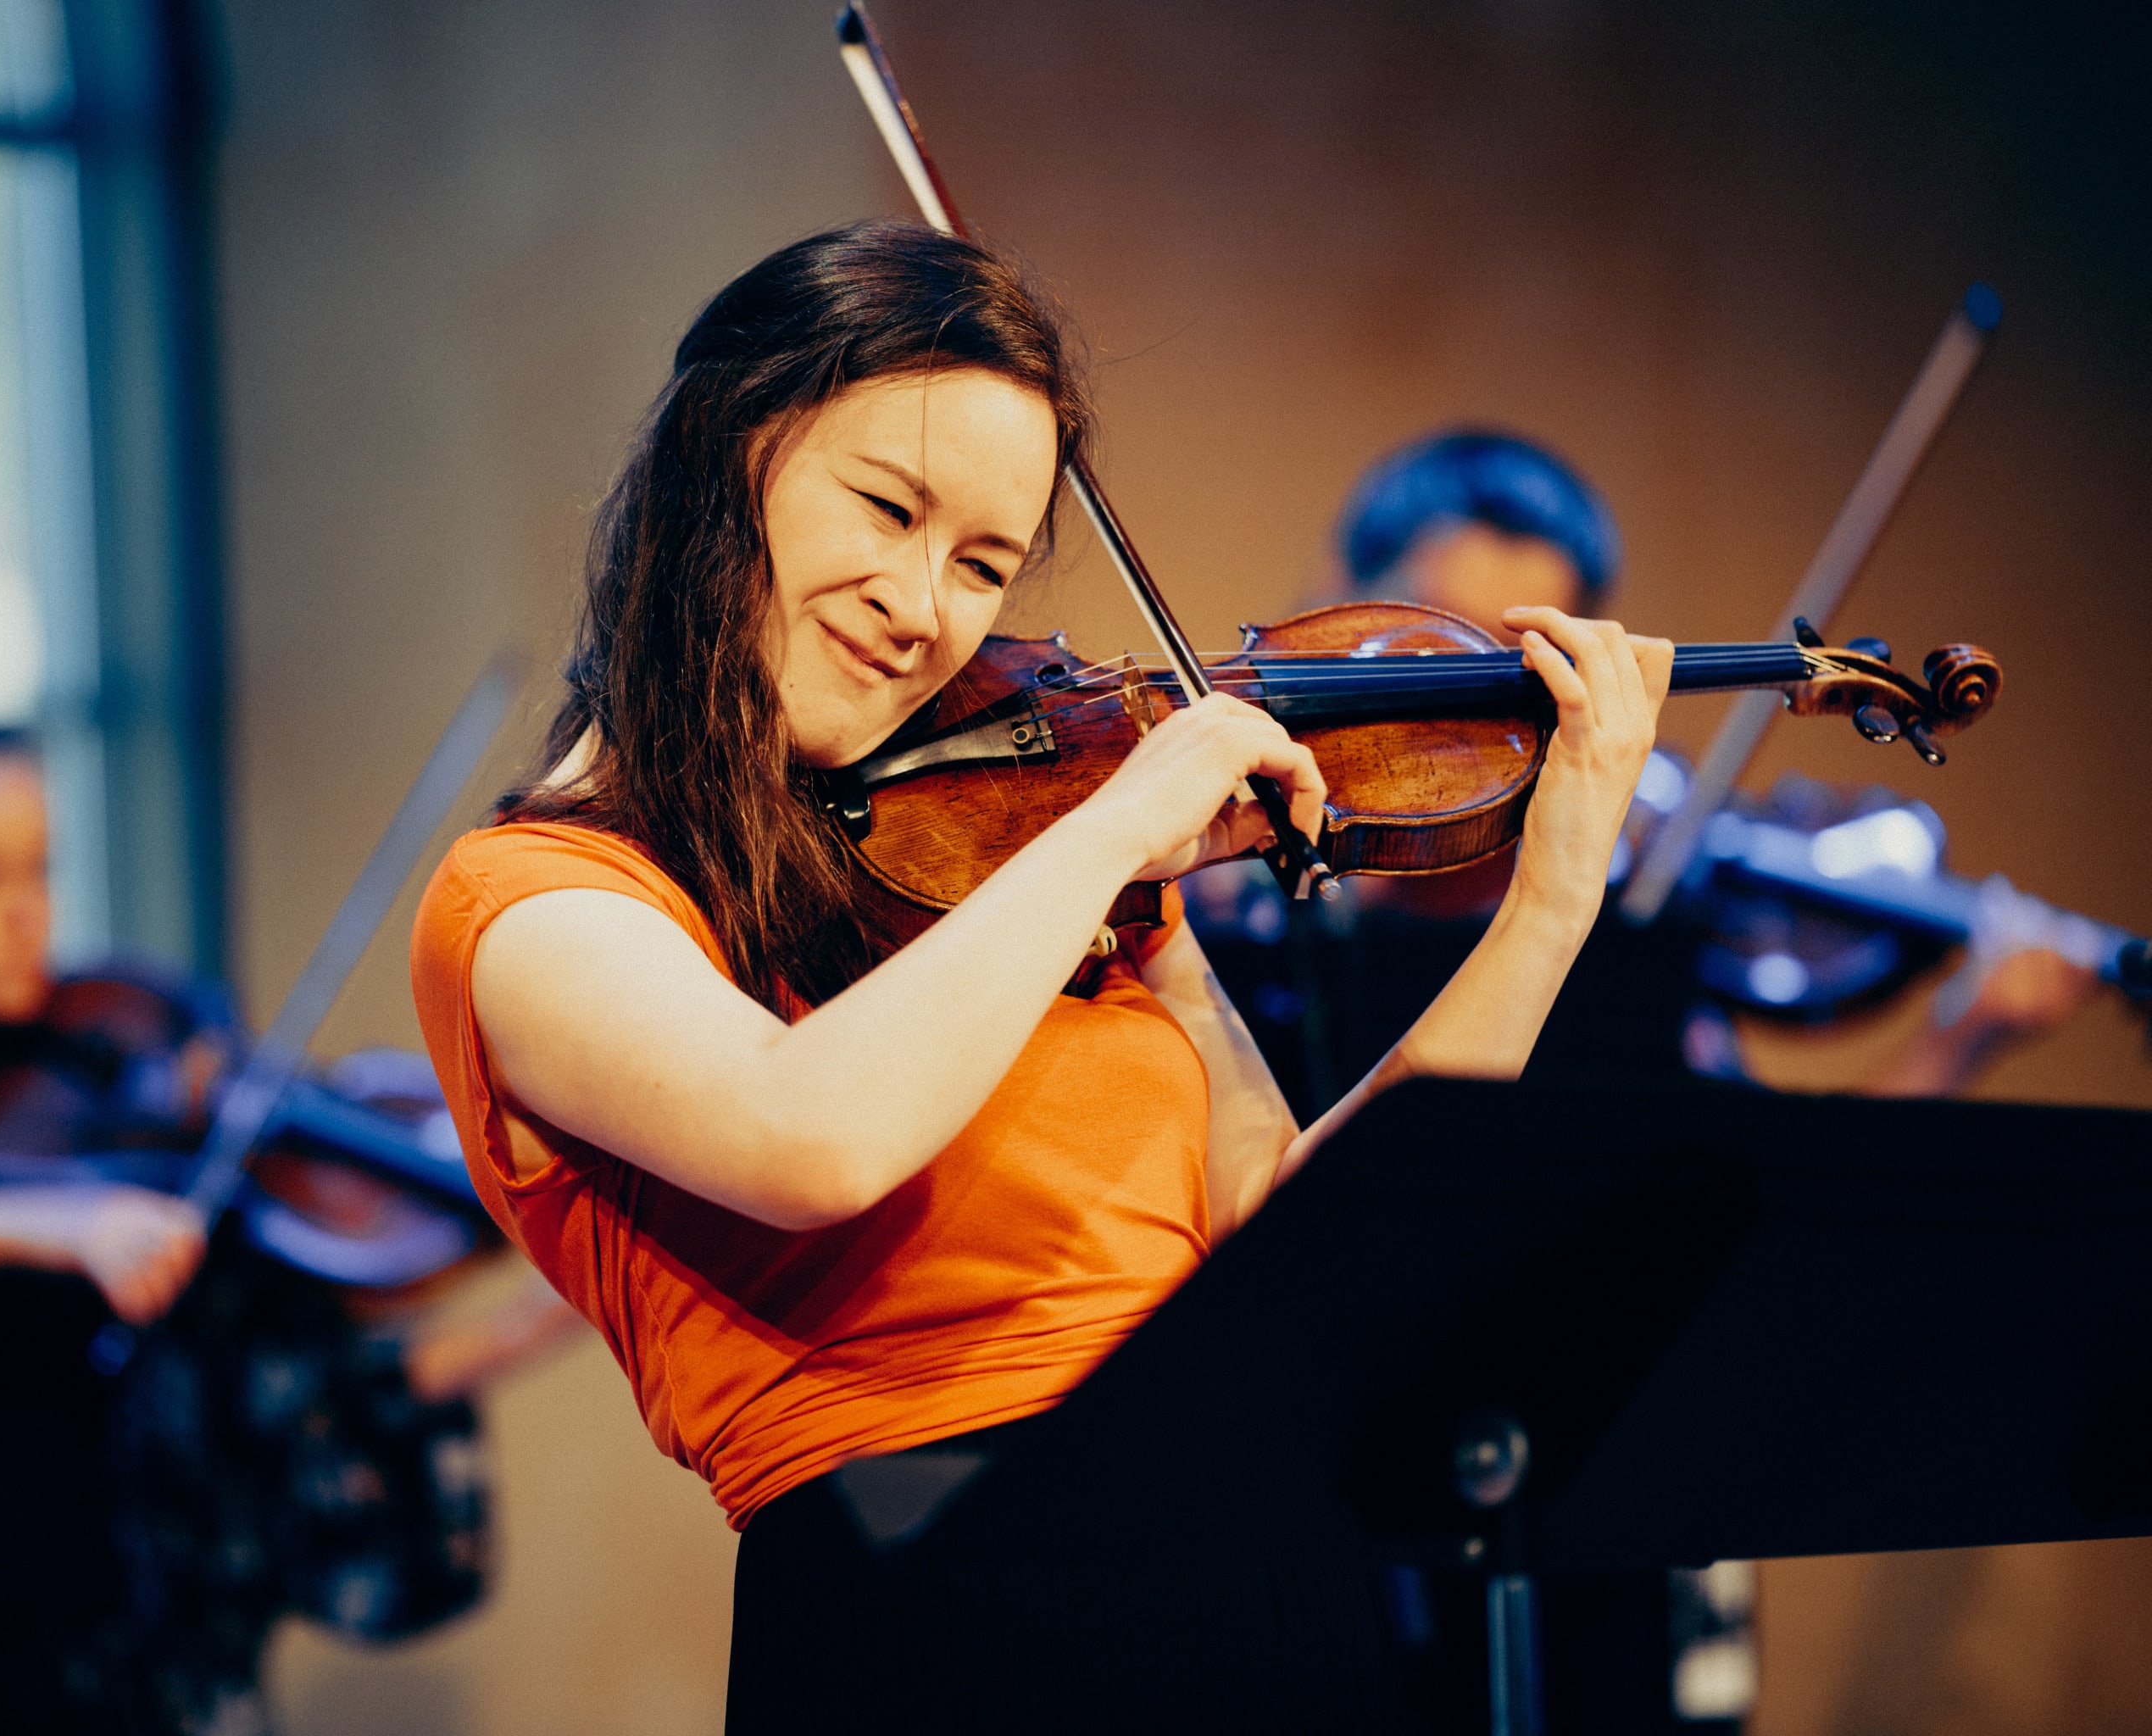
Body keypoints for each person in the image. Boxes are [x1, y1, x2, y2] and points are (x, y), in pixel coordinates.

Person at [406, 222, 1673, 1730]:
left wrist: (1554, 892)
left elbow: (1302, 1246)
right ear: (721, 453)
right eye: (886, 506)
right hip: (948, 1601)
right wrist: (1121, 823)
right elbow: (809, 1135)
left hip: (1263, 1566)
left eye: (982, 562)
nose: (925, 604)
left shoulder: (1043, 856)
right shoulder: (536, 901)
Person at [0, 712, 563, 1736]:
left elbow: (290, 1396)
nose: (25, 915)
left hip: (118, 1687)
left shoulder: (113, 1115)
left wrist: (536, 1317)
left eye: (37, 872)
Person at [1196, 426, 2104, 1121]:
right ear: (1338, 593)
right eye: (1438, 641)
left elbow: (1758, 1210)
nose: (1466, 700)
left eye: (1518, 662)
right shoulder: (1210, 874)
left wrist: (1960, 1041)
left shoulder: (1616, 918)